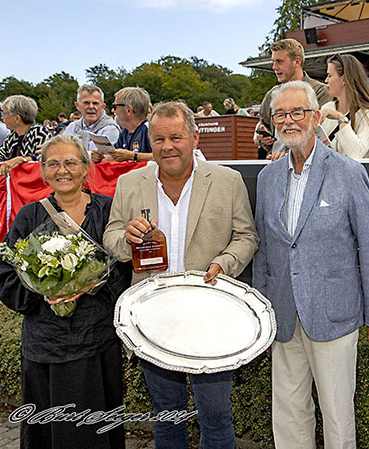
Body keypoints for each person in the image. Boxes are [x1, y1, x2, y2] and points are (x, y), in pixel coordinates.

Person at [103, 101, 259, 449]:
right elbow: (110, 237)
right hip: (152, 318)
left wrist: (225, 263)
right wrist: (126, 240)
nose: (167, 146)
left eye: (176, 137)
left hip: (211, 317)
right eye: (158, 139)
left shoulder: (227, 181)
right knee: (167, 416)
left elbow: (247, 236)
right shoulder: (130, 184)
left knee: (217, 420)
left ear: (195, 137)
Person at [252, 81, 369, 449]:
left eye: (298, 112)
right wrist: (263, 314)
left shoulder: (347, 172)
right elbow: (265, 252)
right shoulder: (267, 178)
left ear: (315, 117)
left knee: (336, 412)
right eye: (281, 114)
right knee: (289, 410)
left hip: (334, 315)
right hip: (283, 314)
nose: (289, 121)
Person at [0, 134, 131, 448]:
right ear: (42, 172)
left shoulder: (107, 210)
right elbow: (5, 270)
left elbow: (124, 268)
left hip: (96, 341)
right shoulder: (30, 215)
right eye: (53, 163)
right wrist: (43, 293)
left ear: (86, 168)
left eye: (70, 162)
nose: (63, 170)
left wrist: (89, 285)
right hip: (45, 345)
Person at [256, 38, 331, 159]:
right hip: (277, 166)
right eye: (273, 62)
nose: (274, 67)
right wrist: (264, 140)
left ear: (297, 62)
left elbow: (326, 136)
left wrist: (288, 155)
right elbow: (263, 132)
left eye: (279, 61)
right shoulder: (271, 95)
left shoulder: (321, 92)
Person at [320, 53, 369, 158]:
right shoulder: (326, 108)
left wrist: (341, 118)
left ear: (344, 79)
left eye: (329, 75)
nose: (326, 80)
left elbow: (357, 153)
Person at [0, 95, 50, 177]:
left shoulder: (39, 132)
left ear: (17, 118)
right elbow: (0, 156)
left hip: (33, 185)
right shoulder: (13, 136)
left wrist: (22, 159)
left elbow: (43, 160)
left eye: (4, 113)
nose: (2, 117)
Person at [98, 87, 153, 163]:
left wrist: (134, 156)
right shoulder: (125, 132)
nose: (113, 110)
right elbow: (113, 156)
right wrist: (99, 157)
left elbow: (162, 157)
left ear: (128, 110)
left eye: (115, 106)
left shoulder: (149, 130)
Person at [63, 84, 120, 154]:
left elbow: (106, 157)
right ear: (77, 106)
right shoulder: (72, 127)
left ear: (103, 106)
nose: (91, 107)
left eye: (95, 103)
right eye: (86, 103)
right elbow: (62, 151)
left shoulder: (110, 129)